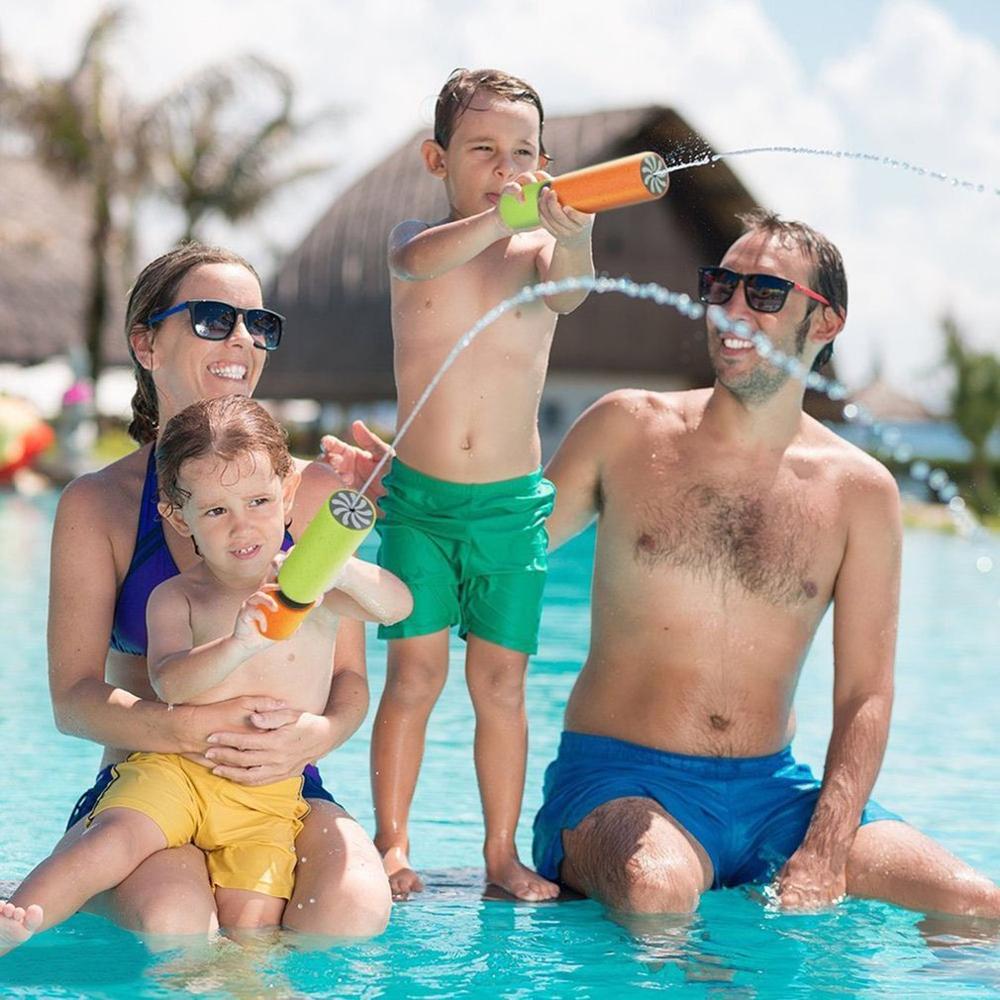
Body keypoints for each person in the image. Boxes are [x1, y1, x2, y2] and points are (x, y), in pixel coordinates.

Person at [529, 210, 1000, 917]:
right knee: (656, 890)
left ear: (827, 323)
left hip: (777, 796)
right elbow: (509, 548)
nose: (732, 309)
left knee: (973, 903)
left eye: (766, 294)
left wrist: (824, 845)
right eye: (721, 286)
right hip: (621, 782)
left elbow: (865, 693)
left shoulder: (861, 492)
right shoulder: (628, 428)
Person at [32, 243, 394, 942]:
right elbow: (71, 700)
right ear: (146, 343)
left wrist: (319, 734)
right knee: (177, 927)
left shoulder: (308, 489)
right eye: (211, 319)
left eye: (258, 325)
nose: (241, 340)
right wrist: (181, 729)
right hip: (148, 784)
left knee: (350, 913)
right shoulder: (99, 504)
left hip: (279, 787)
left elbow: (350, 677)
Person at [1, 397, 412, 954]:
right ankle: (19, 918)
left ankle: (248, 987)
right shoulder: (178, 597)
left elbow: (397, 608)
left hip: (265, 793)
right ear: (178, 516)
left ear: (288, 497)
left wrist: (346, 567)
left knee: (254, 919)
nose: (243, 526)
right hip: (174, 770)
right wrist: (237, 643)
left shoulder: (316, 588)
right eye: (217, 511)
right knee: (117, 839)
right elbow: (170, 683)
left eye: (259, 501)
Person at [371, 67, 595, 901]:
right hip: (419, 505)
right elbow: (421, 258)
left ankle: (501, 858)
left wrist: (570, 232)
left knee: (500, 686)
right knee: (415, 675)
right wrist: (504, 212)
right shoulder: (413, 242)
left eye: (524, 153)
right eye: (485, 150)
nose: (507, 167)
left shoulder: (539, 253)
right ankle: (393, 844)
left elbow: (571, 294)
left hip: (508, 509)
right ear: (439, 159)